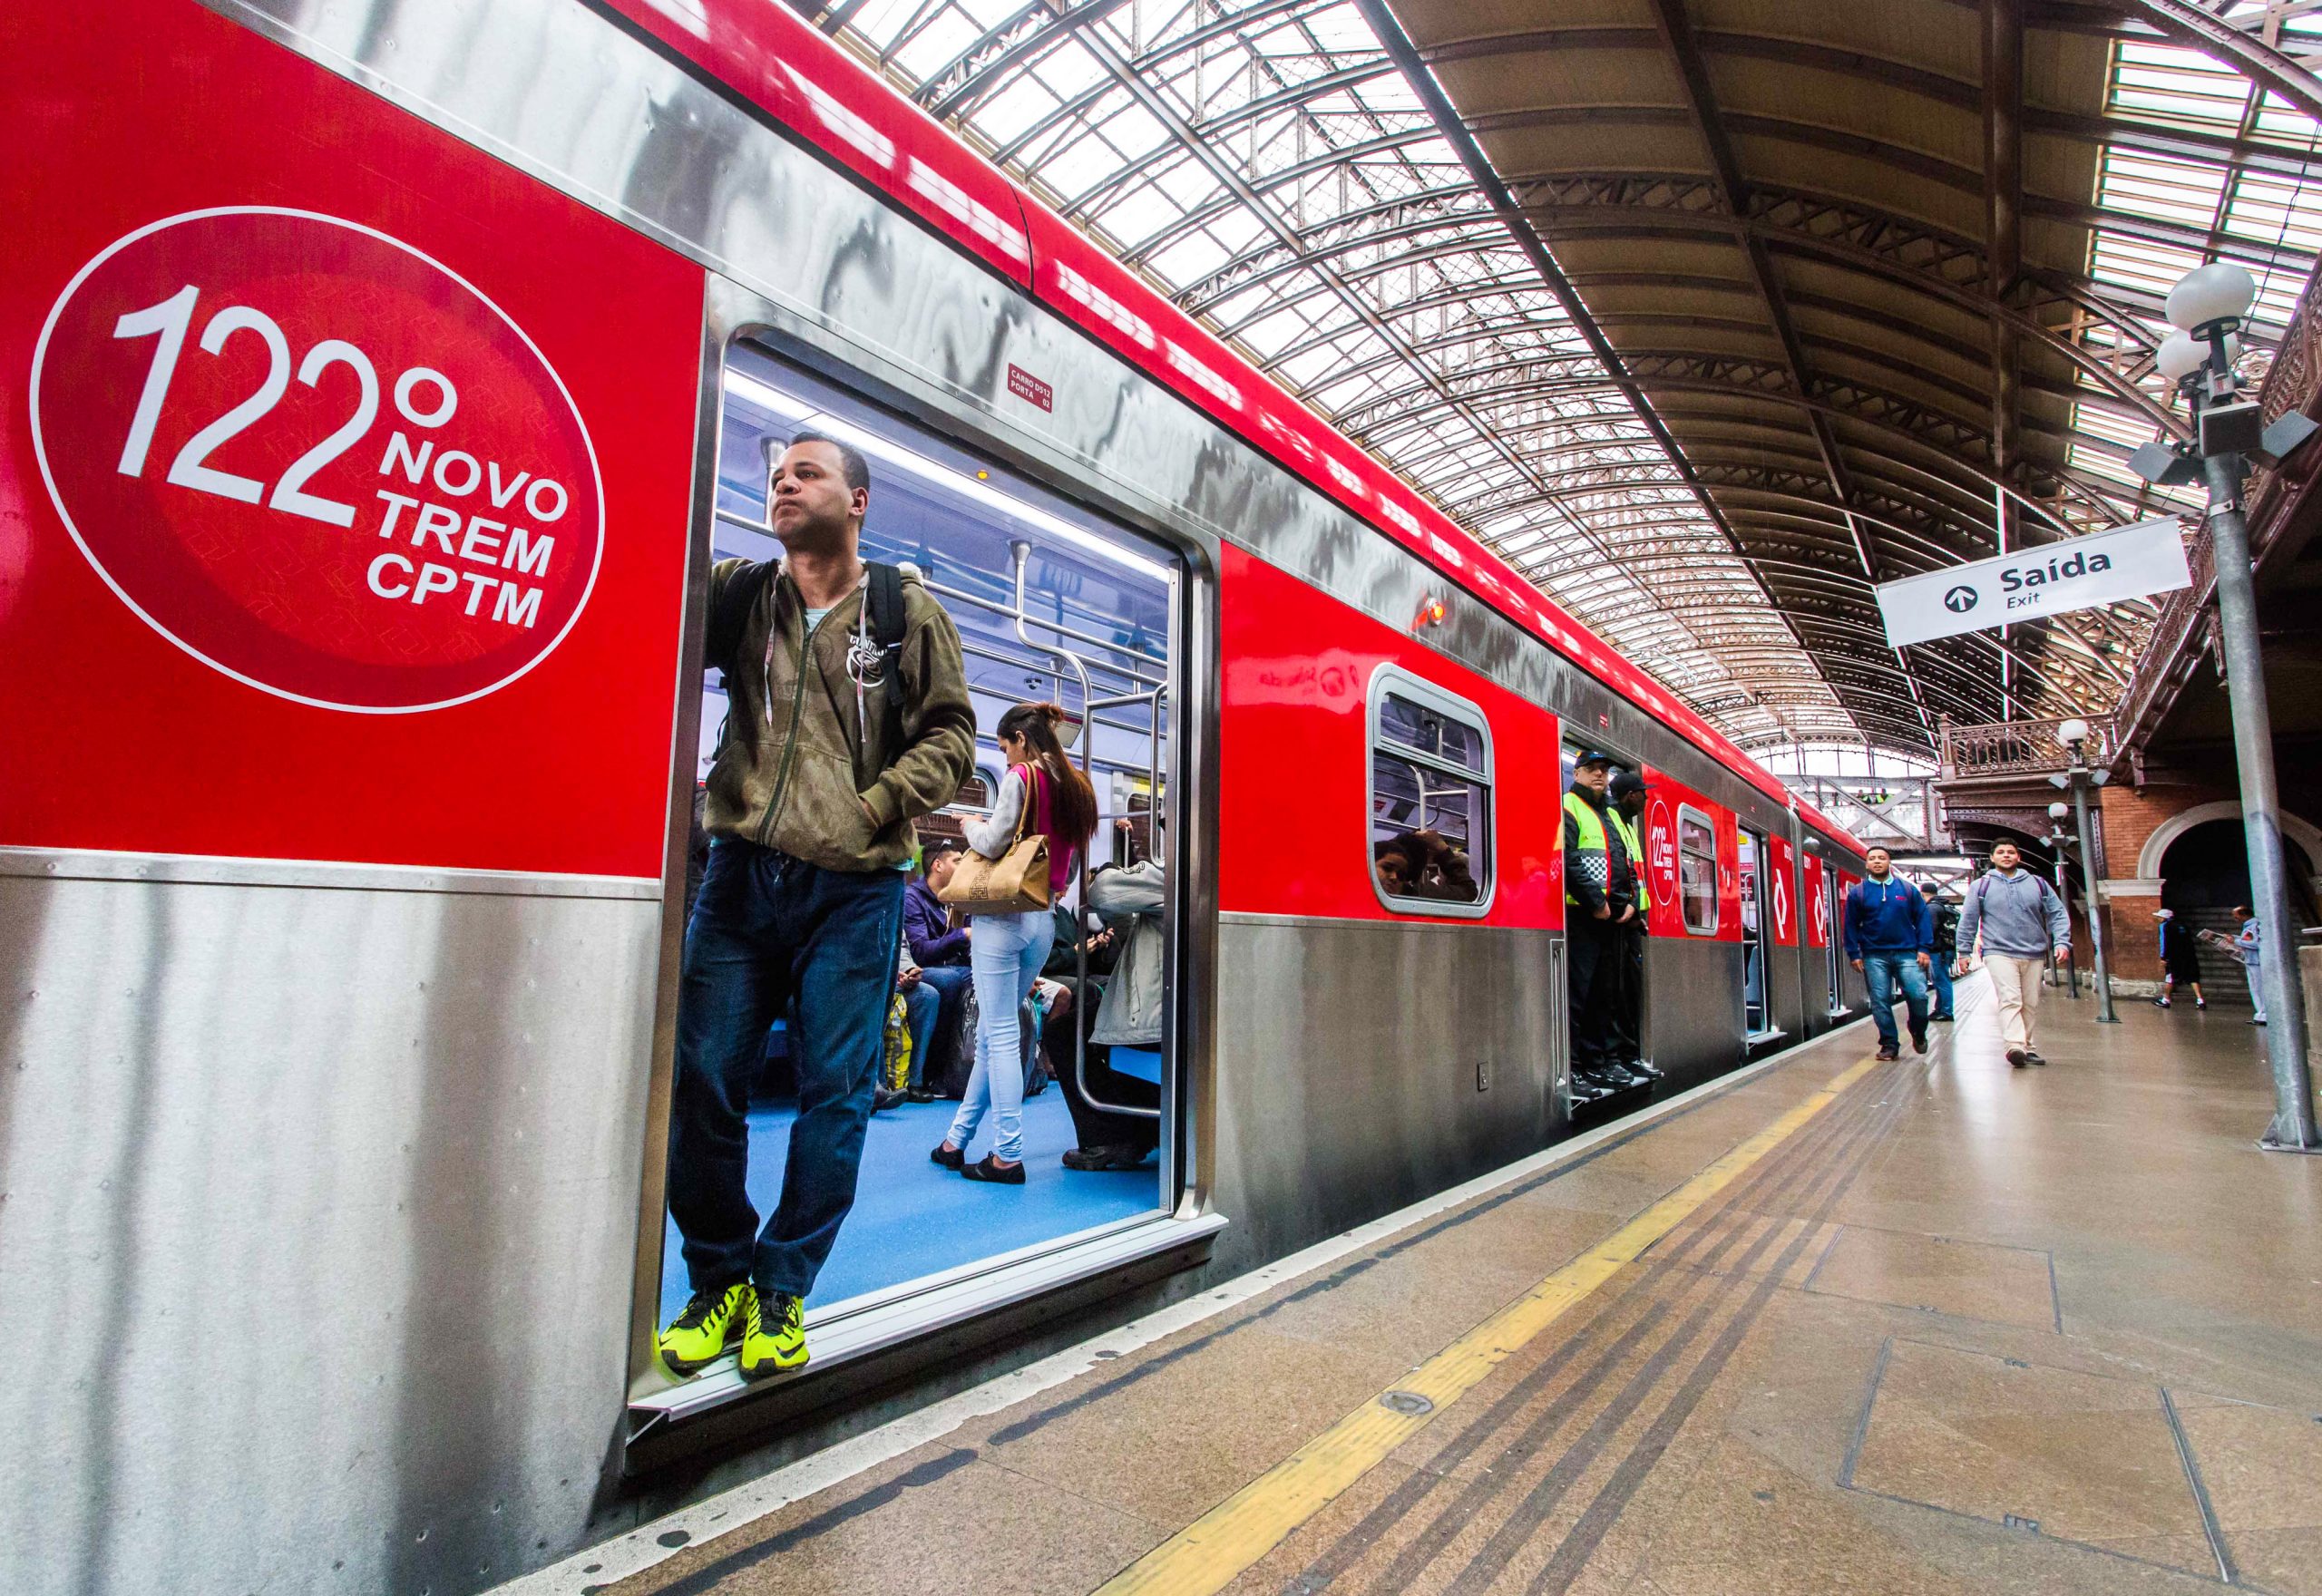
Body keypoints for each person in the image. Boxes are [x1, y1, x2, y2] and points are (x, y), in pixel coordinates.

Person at [659, 432, 976, 1382]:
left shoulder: (902, 609)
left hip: (855, 889)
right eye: (776, 476)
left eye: (807, 473)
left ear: (858, 500)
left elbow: (954, 732)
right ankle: (719, 1278)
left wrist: (875, 804)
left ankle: (782, 1287)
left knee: (833, 1096)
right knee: (704, 1079)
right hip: (741, 874)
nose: (783, 484)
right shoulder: (741, 595)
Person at [934, 702, 1098, 1183]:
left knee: (1001, 1031)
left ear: (1022, 740)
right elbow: (1066, 863)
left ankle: (1006, 1154)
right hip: (1043, 920)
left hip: (1003, 918)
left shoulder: (1022, 777)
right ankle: (955, 1141)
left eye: (1005, 748)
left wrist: (968, 826)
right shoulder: (1078, 785)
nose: (1005, 760)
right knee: (992, 1032)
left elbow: (994, 841)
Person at [1064, 817, 1166, 1171]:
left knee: (1066, 1030)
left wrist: (1107, 868)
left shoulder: (1176, 874)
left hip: (1157, 1018)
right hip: (1173, 1007)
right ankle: (1138, 1129)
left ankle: (1114, 1137)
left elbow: (1104, 891)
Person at [1564, 752, 1648, 1100]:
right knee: (1580, 996)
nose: (1599, 775)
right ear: (1578, 773)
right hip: (1585, 916)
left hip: (1612, 918)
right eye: (1592, 770)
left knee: (1605, 995)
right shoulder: (1569, 806)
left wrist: (1629, 902)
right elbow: (1568, 858)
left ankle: (1599, 1062)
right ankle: (1575, 1067)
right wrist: (1596, 904)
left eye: (1604, 770)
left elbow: (1624, 860)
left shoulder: (1605, 813)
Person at [1956, 839, 2073, 1069]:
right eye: (2001, 852)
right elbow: (1968, 920)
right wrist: (1963, 951)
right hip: (1998, 952)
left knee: (2030, 1003)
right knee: (2010, 999)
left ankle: (2026, 1047)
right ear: (1992, 858)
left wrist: (2062, 942)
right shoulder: (1981, 886)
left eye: (2011, 852)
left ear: (2018, 857)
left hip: (2034, 952)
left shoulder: (2038, 884)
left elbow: (2058, 914)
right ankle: (2014, 1045)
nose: (2006, 855)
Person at [1843, 846, 1932, 1062]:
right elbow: (1851, 925)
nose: (1877, 862)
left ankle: (1917, 1030)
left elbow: (1922, 919)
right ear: (1866, 864)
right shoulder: (1858, 893)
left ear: (1888, 862)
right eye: (1872, 858)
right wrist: (1854, 953)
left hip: (1907, 953)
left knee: (1918, 996)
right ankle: (1889, 1044)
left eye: (1881, 858)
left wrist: (1924, 948)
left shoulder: (1908, 890)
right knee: (1880, 1000)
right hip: (1874, 956)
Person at [902, 837, 974, 1099]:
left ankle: (965, 1069)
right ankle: (938, 1069)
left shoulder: (956, 900)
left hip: (953, 969)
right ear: (937, 865)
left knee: (979, 977)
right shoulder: (913, 898)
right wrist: (961, 935)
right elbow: (920, 951)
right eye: (957, 861)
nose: (963, 866)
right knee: (952, 981)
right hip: (923, 969)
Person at [1604, 769, 1663, 1082]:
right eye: (1643, 792)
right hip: (1620, 922)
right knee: (1619, 994)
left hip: (1631, 921)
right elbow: (1620, 869)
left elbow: (1633, 874)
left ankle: (1628, 1055)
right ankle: (1619, 1056)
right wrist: (1624, 909)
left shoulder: (1626, 825)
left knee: (1629, 993)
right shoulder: (1613, 822)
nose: (1647, 797)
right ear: (1630, 795)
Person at [2200, 907, 2266, 1024]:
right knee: (2254, 988)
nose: (2235, 918)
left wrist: (2236, 942)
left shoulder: (2255, 926)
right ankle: (2260, 1014)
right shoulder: (2248, 927)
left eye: (2236, 915)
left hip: (2256, 961)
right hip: (2250, 960)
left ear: (2244, 915)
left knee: (2259, 988)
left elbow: (2257, 943)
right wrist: (2234, 938)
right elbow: (2248, 940)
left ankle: (2264, 1014)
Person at [2152, 908, 2207, 1010]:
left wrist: (2163, 957)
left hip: (2174, 957)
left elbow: (2164, 942)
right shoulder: (2182, 925)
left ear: (2165, 918)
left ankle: (2166, 1000)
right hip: (2189, 955)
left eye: (2159, 917)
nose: (2158, 919)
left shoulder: (2165, 926)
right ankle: (2200, 1000)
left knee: (2170, 978)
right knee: (2193, 977)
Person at [1924, 882, 1958, 1022]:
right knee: (1939, 980)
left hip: (1939, 951)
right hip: (1947, 949)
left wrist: (1923, 946)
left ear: (1923, 894)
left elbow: (1929, 929)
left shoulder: (1931, 908)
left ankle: (1946, 1011)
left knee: (1941, 980)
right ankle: (1939, 1009)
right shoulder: (1945, 906)